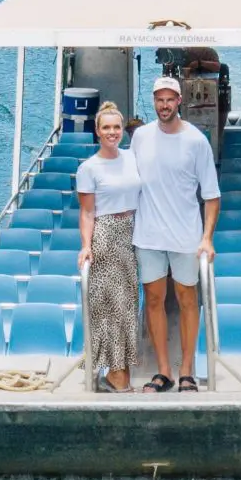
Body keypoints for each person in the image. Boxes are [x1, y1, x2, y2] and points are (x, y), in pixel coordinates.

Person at [130, 74, 220, 394]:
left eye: (170, 99)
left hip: (185, 236)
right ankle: (164, 372)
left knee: (187, 300)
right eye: (159, 99)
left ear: (179, 101)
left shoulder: (196, 141)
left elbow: (212, 195)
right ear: (154, 102)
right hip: (149, 235)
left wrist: (206, 237)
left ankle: (187, 372)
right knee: (153, 299)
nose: (164, 105)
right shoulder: (140, 137)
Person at [72, 100, 142, 393]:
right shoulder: (89, 168)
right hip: (107, 234)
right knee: (112, 306)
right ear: (97, 132)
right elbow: (87, 212)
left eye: (117, 127)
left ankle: (119, 370)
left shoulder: (133, 157)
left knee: (128, 305)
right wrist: (86, 245)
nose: (112, 132)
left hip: (135, 231)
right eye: (106, 128)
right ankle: (115, 374)